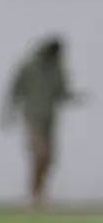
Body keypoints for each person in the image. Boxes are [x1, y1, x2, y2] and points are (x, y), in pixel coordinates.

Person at [5, 37, 82, 208]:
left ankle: (40, 193)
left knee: (49, 159)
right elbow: (15, 90)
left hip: (49, 119)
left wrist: (75, 97)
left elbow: (61, 92)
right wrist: (8, 114)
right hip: (33, 118)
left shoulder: (57, 68)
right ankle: (34, 194)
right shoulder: (29, 66)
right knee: (41, 154)